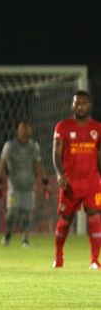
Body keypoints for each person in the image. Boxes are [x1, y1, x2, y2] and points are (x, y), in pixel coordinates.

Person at [52, 90, 101, 269]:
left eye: (83, 103)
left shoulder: (97, 128)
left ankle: (95, 260)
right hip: (70, 182)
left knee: (95, 218)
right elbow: (56, 153)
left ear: (89, 106)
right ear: (72, 106)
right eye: (76, 103)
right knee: (65, 221)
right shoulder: (63, 126)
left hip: (92, 182)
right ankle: (58, 256)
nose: (80, 106)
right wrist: (59, 174)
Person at [0, 120, 50, 248]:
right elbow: (2, 164)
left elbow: (38, 165)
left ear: (30, 130)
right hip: (14, 186)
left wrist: (45, 182)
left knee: (28, 212)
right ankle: (8, 234)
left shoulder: (34, 146)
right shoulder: (9, 146)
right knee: (12, 211)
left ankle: (25, 239)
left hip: (29, 186)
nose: (24, 131)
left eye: (27, 128)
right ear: (18, 130)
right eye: (22, 128)